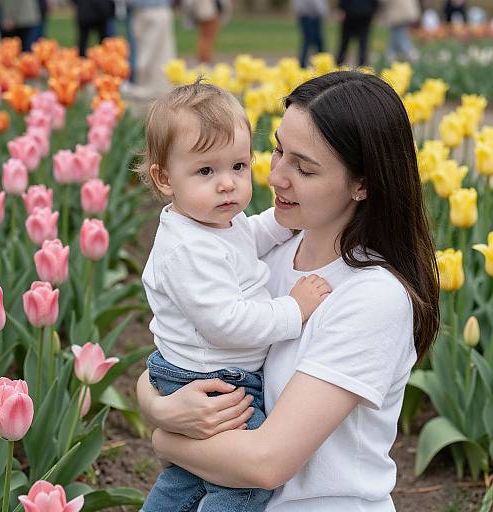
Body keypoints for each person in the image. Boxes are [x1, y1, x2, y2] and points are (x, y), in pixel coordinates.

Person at [137, 71, 440, 512]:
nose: (276, 176)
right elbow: (184, 354)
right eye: (277, 150)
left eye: (304, 167)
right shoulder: (265, 252)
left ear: (362, 184)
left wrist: (163, 435)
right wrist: (162, 408)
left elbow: (265, 464)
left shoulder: (373, 297)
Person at [136, 80, 331, 512]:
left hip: (198, 373)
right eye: (206, 171)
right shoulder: (188, 250)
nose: (227, 184)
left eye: (238, 167)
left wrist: (283, 224)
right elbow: (225, 322)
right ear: (164, 179)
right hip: (210, 381)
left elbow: (249, 238)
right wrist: (292, 310)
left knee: (189, 476)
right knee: (242, 481)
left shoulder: (212, 221)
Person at [122, 0, 175, 99]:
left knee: (152, 54)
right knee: (150, 54)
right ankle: (151, 88)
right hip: (146, 10)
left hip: (150, 9)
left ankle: (153, 89)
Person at [336, 0, 378, 67]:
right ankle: (340, 63)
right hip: (354, 15)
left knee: (360, 43)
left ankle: (361, 65)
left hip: (360, 15)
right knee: (348, 42)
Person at [292, 0, 328, 68]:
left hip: (308, 16)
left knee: (315, 42)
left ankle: (321, 62)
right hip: (311, 16)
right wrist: (321, 12)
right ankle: (305, 63)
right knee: (311, 41)